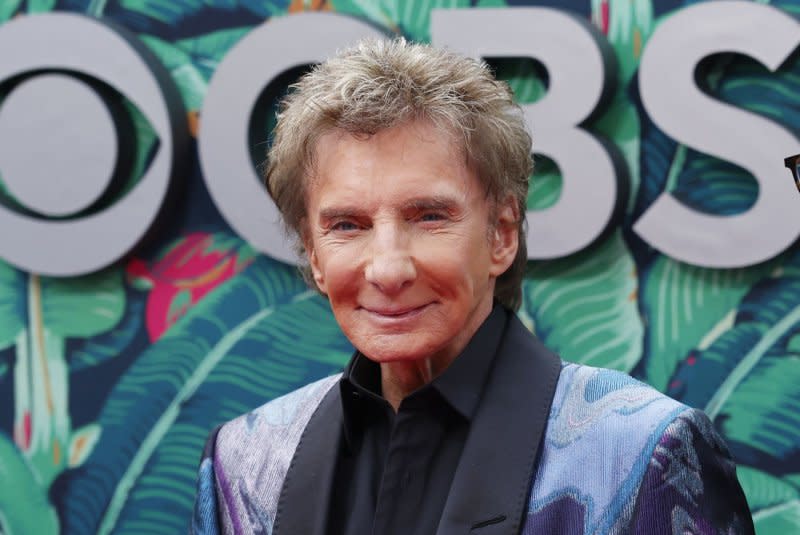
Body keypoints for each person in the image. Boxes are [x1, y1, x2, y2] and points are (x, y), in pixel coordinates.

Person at [191, 38, 754, 534]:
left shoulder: (644, 454)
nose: (388, 269)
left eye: (429, 216)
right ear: (313, 255)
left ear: (501, 234)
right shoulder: (243, 464)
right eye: (347, 225)